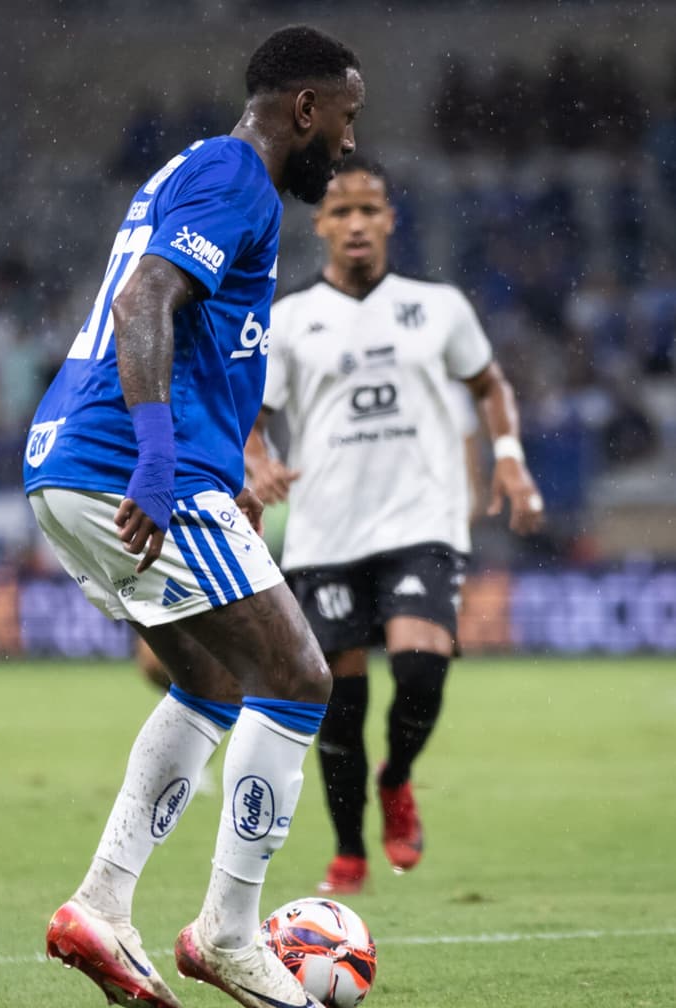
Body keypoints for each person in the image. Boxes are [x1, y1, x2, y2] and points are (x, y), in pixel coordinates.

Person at [22, 26, 364, 1008]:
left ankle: (101, 906)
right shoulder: (237, 177)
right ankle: (228, 932)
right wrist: (160, 459)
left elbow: (202, 334)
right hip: (119, 464)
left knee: (213, 679)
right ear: (304, 108)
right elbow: (145, 301)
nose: (349, 143)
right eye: (346, 119)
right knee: (298, 677)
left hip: (68, 463)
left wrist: (228, 461)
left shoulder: (199, 170)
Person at [244, 156, 544, 895]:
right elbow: (252, 415)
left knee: (419, 666)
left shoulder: (437, 307)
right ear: (320, 224)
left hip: (422, 520)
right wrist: (255, 460)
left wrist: (509, 460)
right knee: (340, 706)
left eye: (369, 209)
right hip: (325, 530)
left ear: (390, 220)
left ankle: (397, 776)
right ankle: (349, 850)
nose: (356, 223)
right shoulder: (290, 320)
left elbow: (489, 384)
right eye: (341, 211)